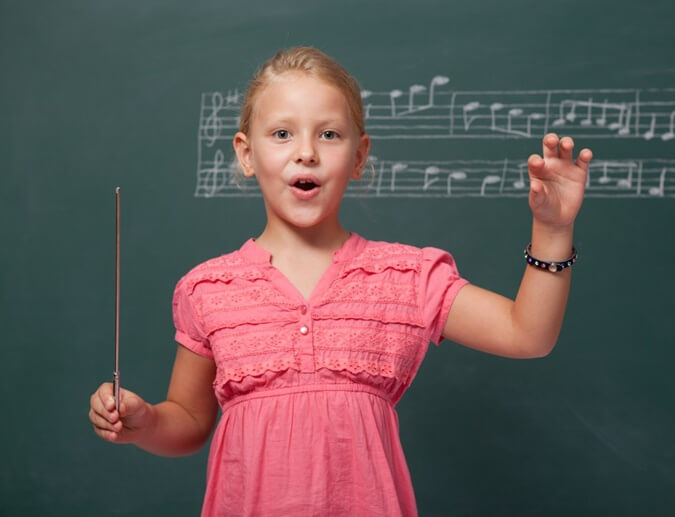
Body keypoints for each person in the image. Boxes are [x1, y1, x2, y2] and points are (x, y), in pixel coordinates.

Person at [88, 46, 593, 516]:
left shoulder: (406, 277)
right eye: (282, 133)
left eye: (328, 134)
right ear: (246, 153)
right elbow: (190, 422)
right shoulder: (208, 289)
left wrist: (553, 229)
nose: (306, 152)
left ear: (359, 156)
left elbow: (527, 334)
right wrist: (147, 423)